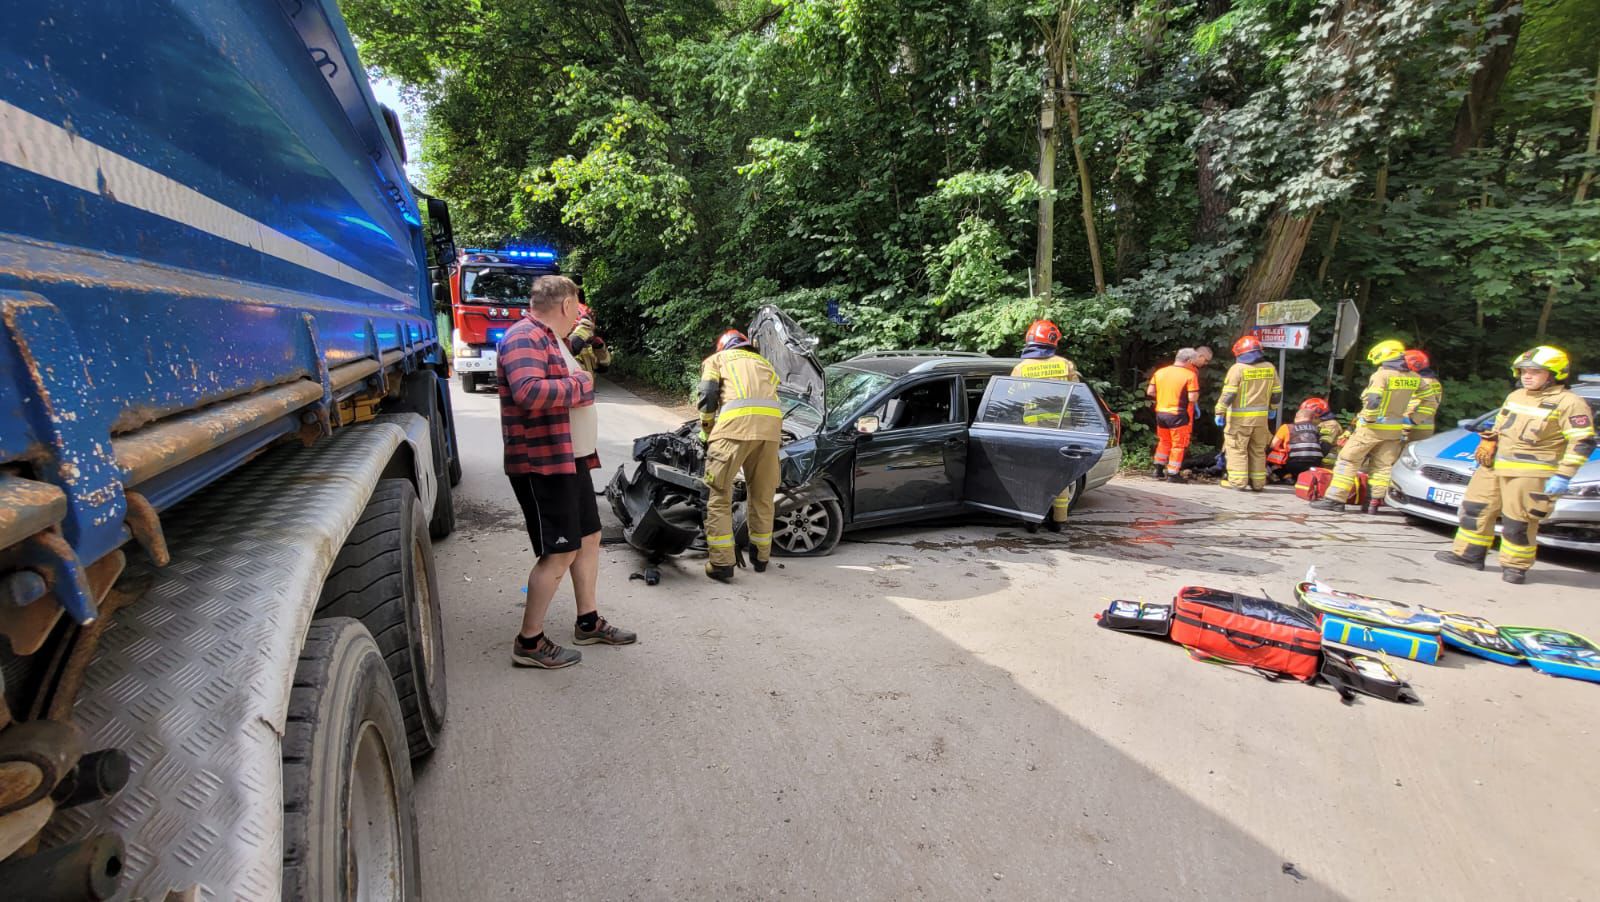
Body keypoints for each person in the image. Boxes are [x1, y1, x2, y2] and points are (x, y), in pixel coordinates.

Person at [499, 275, 636, 669]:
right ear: (565, 305)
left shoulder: (552, 338)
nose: (579, 313)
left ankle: (588, 622)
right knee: (560, 551)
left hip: (569, 458)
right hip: (543, 463)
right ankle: (529, 642)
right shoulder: (524, 336)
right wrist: (579, 385)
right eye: (577, 304)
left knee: (589, 537)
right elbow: (528, 391)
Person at [1435, 346, 1594, 584]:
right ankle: (1468, 555)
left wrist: (1563, 475)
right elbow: (1500, 427)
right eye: (1523, 371)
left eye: (1535, 372)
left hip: (1530, 473)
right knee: (1474, 510)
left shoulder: (1570, 403)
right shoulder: (1516, 396)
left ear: (1555, 374)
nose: (1527, 376)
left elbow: (1582, 442)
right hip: (1494, 466)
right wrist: (1489, 441)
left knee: (1518, 522)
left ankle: (1515, 567)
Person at [698, 329, 784, 582]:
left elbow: (707, 395)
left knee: (718, 496)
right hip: (770, 434)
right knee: (763, 497)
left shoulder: (717, 360)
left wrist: (707, 429)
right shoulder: (764, 363)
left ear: (723, 346)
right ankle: (761, 557)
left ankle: (722, 563)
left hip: (733, 430)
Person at [1312, 340, 1418, 514]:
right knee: (1383, 466)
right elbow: (1429, 399)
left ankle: (1335, 500)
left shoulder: (1382, 375)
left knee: (1348, 460)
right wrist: (1414, 419)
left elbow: (1373, 400)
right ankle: (1373, 503)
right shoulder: (1414, 378)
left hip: (1371, 429)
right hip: (1394, 432)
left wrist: (1369, 419)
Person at [1011, 319, 1079, 528]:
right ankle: (1059, 520)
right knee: (1060, 475)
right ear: (1052, 340)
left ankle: (1032, 520)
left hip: (1034, 432)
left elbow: (1010, 398)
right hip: (1061, 430)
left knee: (1033, 475)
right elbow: (1078, 395)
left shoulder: (1021, 368)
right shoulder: (1065, 365)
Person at [1213, 335, 1282, 491]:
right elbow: (1277, 393)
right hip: (1261, 421)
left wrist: (1219, 412)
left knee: (1237, 450)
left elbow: (1229, 394)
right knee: (1258, 450)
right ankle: (1258, 483)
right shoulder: (1270, 367)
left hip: (1239, 421)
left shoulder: (1237, 369)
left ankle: (1238, 482)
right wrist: (1273, 408)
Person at [1146, 348, 1202, 480]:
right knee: (1178, 444)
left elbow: (1150, 392)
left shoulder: (1160, 372)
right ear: (1189, 361)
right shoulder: (1190, 375)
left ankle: (1158, 470)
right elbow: (1192, 398)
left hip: (1161, 412)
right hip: (1178, 414)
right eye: (1193, 362)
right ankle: (1173, 473)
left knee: (1164, 441)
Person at [1269, 406, 1332, 482]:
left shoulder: (1287, 427)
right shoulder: (1317, 429)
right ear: (1312, 418)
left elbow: (1273, 445)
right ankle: (1304, 476)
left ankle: (1286, 475)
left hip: (1293, 465)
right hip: (1315, 464)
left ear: (1296, 417)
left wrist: (1283, 450)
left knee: (1272, 453)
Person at [1403, 349, 1441, 443]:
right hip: (1425, 427)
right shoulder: (1433, 381)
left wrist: (1406, 425)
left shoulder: (1420, 383)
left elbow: (1414, 405)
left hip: (1412, 428)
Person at [1298, 396, 1347, 466]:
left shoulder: (1330, 424)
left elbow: (1325, 446)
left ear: (1315, 415)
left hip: (1329, 461)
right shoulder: (1317, 424)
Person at [567, 302, 612, 374]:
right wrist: (582, 332)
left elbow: (603, 368)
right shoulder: (560, 342)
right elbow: (570, 351)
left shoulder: (588, 345)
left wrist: (599, 348)